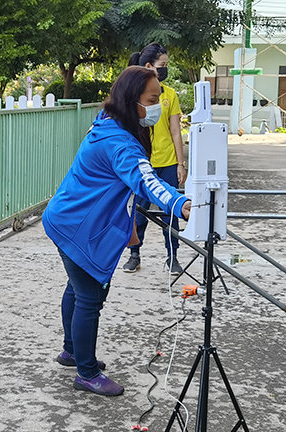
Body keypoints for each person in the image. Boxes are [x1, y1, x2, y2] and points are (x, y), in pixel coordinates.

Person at [42, 66, 191, 396]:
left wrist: (131, 230)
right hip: (76, 225)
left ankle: (72, 351)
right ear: (131, 100)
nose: (157, 105)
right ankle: (86, 372)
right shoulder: (119, 142)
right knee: (90, 296)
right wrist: (179, 203)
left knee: (77, 288)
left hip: (68, 217)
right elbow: (147, 180)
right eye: (152, 99)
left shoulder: (108, 123)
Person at [122, 42, 186, 275]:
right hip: (142, 163)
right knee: (139, 213)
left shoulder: (169, 95)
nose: (165, 69)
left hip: (167, 162)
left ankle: (173, 256)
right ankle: (134, 254)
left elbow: (176, 131)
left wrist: (180, 163)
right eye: (162, 65)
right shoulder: (133, 95)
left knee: (171, 211)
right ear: (149, 66)